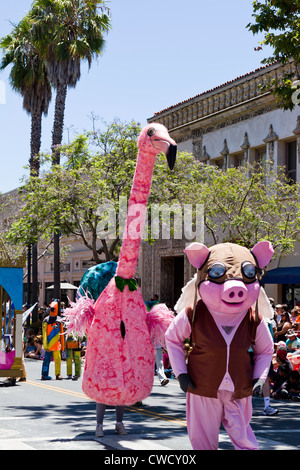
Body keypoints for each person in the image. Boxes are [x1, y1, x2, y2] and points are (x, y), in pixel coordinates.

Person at [41, 300, 64, 380]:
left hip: (56, 343)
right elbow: (44, 333)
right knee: (46, 360)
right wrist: (45, 344)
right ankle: (44, 374)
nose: (53, 311)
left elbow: (62, 333)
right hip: (48, 343)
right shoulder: (46, 320)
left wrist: (63, 345)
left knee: (58, 359)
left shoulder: (60, 320)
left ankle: (58, 374)